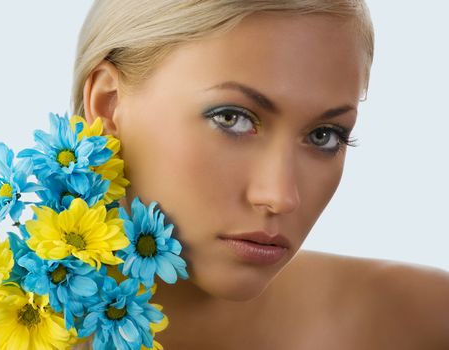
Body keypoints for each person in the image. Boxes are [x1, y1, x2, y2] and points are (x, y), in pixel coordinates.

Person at [71, 1, 449, 349]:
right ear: (108, 105)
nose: (281, 196)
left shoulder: (424, 321)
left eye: (324, 136)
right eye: (231, 118)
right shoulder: (20, 321)